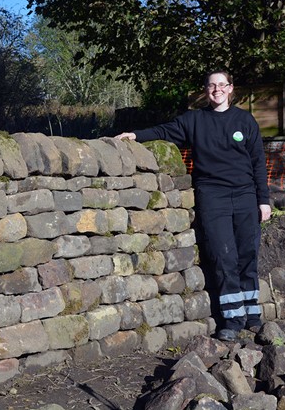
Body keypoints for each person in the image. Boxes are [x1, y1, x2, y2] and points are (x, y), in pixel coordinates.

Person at [116, 70, 271, 342]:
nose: (217, 90)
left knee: (247, 253)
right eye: (212, 85)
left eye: (222, 85)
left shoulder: (245, 120)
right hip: (213, 196)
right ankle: (232, 320)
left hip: (246, 196)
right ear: (205, 90)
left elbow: (258, 162)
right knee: (224, 257)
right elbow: (164, 131)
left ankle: (253, 316)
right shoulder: (195, 120)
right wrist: (136, 135)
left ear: (231, 89)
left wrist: (264, 200)